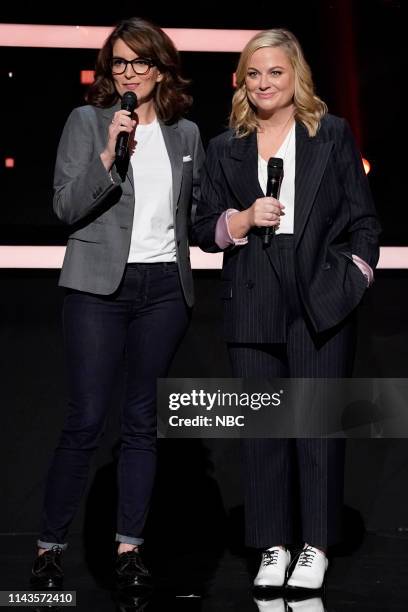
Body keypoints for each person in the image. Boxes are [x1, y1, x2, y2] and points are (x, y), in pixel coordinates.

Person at [193, 28, 380, 591]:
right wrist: (242, 220)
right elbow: (203, 227)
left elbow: (363, 221)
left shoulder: (332, 136)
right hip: (252, 298)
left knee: (317, 428)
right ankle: (272, 544)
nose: (264, 83)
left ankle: (315, 545)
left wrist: (354, 276)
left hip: (319, 298)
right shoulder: (224, 144)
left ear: (295, 75)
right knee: (263, 431)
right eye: (253, 73)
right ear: (240, 81)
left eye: (275, 72)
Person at [30, 16, 204, 590]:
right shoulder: (87, 121)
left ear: (160, 69)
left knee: (141, 425)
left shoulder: (186, 134)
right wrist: (108, 154)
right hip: (97, 289)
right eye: (119, 62)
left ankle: (130, 548)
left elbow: (195, 214)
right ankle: (49, 547)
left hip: (162, 291)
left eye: (140, 62)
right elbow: (65, 206)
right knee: (84, 420)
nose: (128, 71)